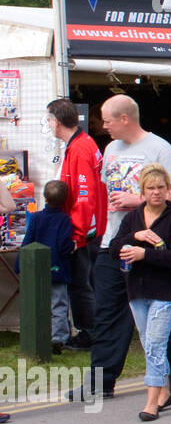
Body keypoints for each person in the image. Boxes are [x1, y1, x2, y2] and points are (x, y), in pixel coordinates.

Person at [72, 95, 171, 402]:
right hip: (115, 241)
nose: (103, 125)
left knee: (161, 308)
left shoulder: (160, 148)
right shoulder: (110, 149)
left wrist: (138, 201)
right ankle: (101, 380)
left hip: (152, 242)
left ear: (125, 118)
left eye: (107, 119)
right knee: (107, 310)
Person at [108, 164, 171, 421]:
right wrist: (135, 236)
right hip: (137, 290)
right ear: (142, 191)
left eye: (161, 188)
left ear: (168, 190)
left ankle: (151, 401)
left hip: (166, 292)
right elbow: (113, 248)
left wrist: (146, 254)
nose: (156, 193)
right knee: (149, 344)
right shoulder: (133, 218)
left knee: (155, 343)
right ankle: (164, 391)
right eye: (151, 188)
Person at [47, 98, 106, 349]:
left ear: (56, 122)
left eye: (49, 120)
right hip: (88, 228)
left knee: (81, 286)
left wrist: (77, 234)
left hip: (85, 231)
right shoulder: (82, 144)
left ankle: (90, 334)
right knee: (85, 284)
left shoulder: (80, 148)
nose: (48, 125)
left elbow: (84, 196)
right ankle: (90, 331)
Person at [19, 180, 74, 354]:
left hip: (36, 267)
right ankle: (58, 338)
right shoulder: (64, 220)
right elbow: (64, 245)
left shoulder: (36, 218)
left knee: (38, 304)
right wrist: (73, 246)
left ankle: (38, 336)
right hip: (57, 267)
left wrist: (20, 264)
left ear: (44, 197)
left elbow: (28, 240)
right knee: (58, 304)